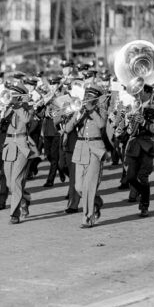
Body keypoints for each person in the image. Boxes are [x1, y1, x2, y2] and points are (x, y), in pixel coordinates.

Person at [61, 87, 107, 228]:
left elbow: (101, 124)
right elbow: (67, 129)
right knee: (79, 187)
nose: (87, 99)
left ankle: (88, 218)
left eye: (90, 97)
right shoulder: (79, 111)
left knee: (89, 186)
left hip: (95, 148)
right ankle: (96, 201)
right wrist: (77, 115)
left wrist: (91, 110)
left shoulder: (101, 110)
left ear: (96, 99)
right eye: (86, 96)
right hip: (80, 149)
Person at [0, 84, 34, 224]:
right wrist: (2, 114)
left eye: (14, 95)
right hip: (9, 145)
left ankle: (14, 214)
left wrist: (16, 106)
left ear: (20, 97)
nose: (10, 97)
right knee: (10, 183)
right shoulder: (6, 109)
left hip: (22, 145)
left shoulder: (27, 107)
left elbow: (27, 120)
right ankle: (24, 199)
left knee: (16, 180)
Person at [121, 84, 154, 217]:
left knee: (142, 177)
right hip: (133, 145)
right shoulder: (132, 106)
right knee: (130, 177)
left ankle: (144, 205)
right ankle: (144, 192)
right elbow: (126, 129)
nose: (137, 94)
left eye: (140, 92)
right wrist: (124, 120)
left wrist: (145, 122)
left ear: (147, 92)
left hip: (148, 146)